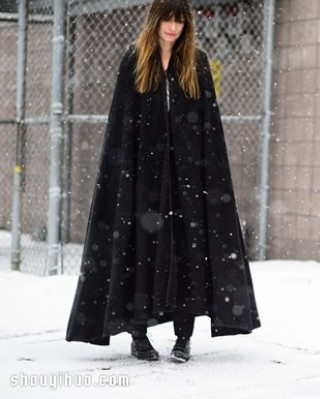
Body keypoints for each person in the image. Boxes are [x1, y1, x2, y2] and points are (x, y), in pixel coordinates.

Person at [65, 0, 261, 363]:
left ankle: (183, 337)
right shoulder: (134, 59)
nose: (173, 26)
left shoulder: (196, 62)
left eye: (179, 20)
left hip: (187, 175)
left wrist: (206, 172)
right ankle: (138, 334)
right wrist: (128, 174)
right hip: (144, 174)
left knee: (186, 252)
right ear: (155, 20)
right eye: (167, 19)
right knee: (140, 249)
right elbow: (122, 125)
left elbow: (208, 123)